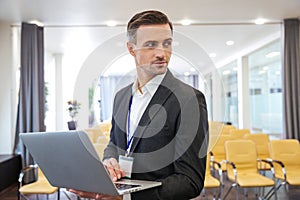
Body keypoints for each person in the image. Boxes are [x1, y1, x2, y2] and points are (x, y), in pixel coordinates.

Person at [70, 10, 208, 200]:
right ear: (131, 49)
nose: (162, 53)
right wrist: (109, 160)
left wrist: (126, 197)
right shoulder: (121, 96)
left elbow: (190, 181)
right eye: (151, 45)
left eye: (167, 43)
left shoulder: (189, 99)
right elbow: (114, 143)